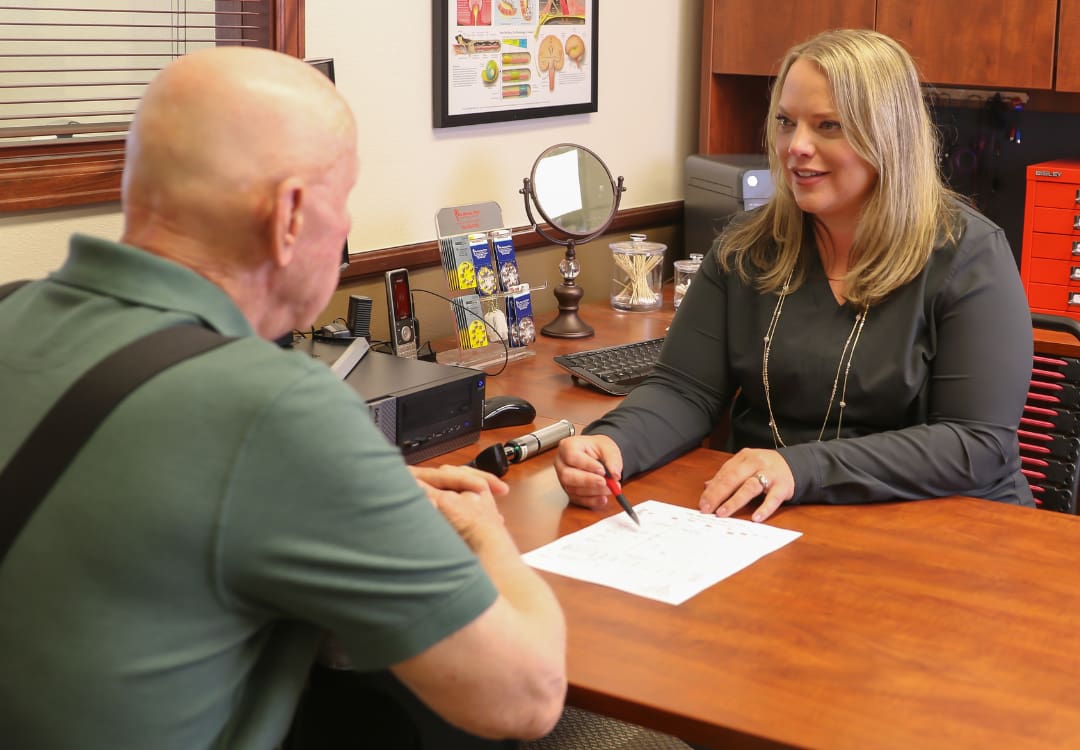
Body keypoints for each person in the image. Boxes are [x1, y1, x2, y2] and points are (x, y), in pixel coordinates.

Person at [0, 47, 565, 749]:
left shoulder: (12, 314)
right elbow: (525, 695)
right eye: (346, 198)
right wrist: (484, 531)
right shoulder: (272, 407)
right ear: (291, 215)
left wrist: (350, 491)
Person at [556, 28, 1035, 523]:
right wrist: (614, 443)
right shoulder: (747, 247)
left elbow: (975, 443)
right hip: (779, 520)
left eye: (828, 126)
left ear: (888, 137)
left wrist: (798, 468)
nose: (796, 147)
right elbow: (684, 390)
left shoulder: (968, 255)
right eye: (786, 122)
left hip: (947, 528)